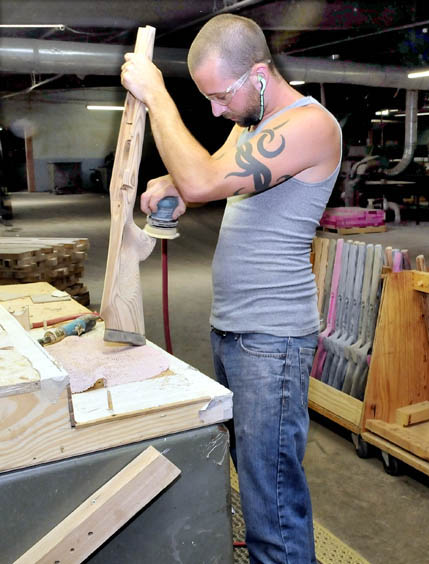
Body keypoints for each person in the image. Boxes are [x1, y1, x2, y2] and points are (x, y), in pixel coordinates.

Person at [120, 13, 342, 564]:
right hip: (236, 332)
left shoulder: (310, 125)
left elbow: (205, 179)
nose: (216, 110)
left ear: (259, 75)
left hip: (272, 339)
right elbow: (209, 177)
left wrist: (159, 97)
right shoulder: (253, 123)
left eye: (220, 97)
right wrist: (174, 183)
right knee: (254, 477)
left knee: (272, 500)